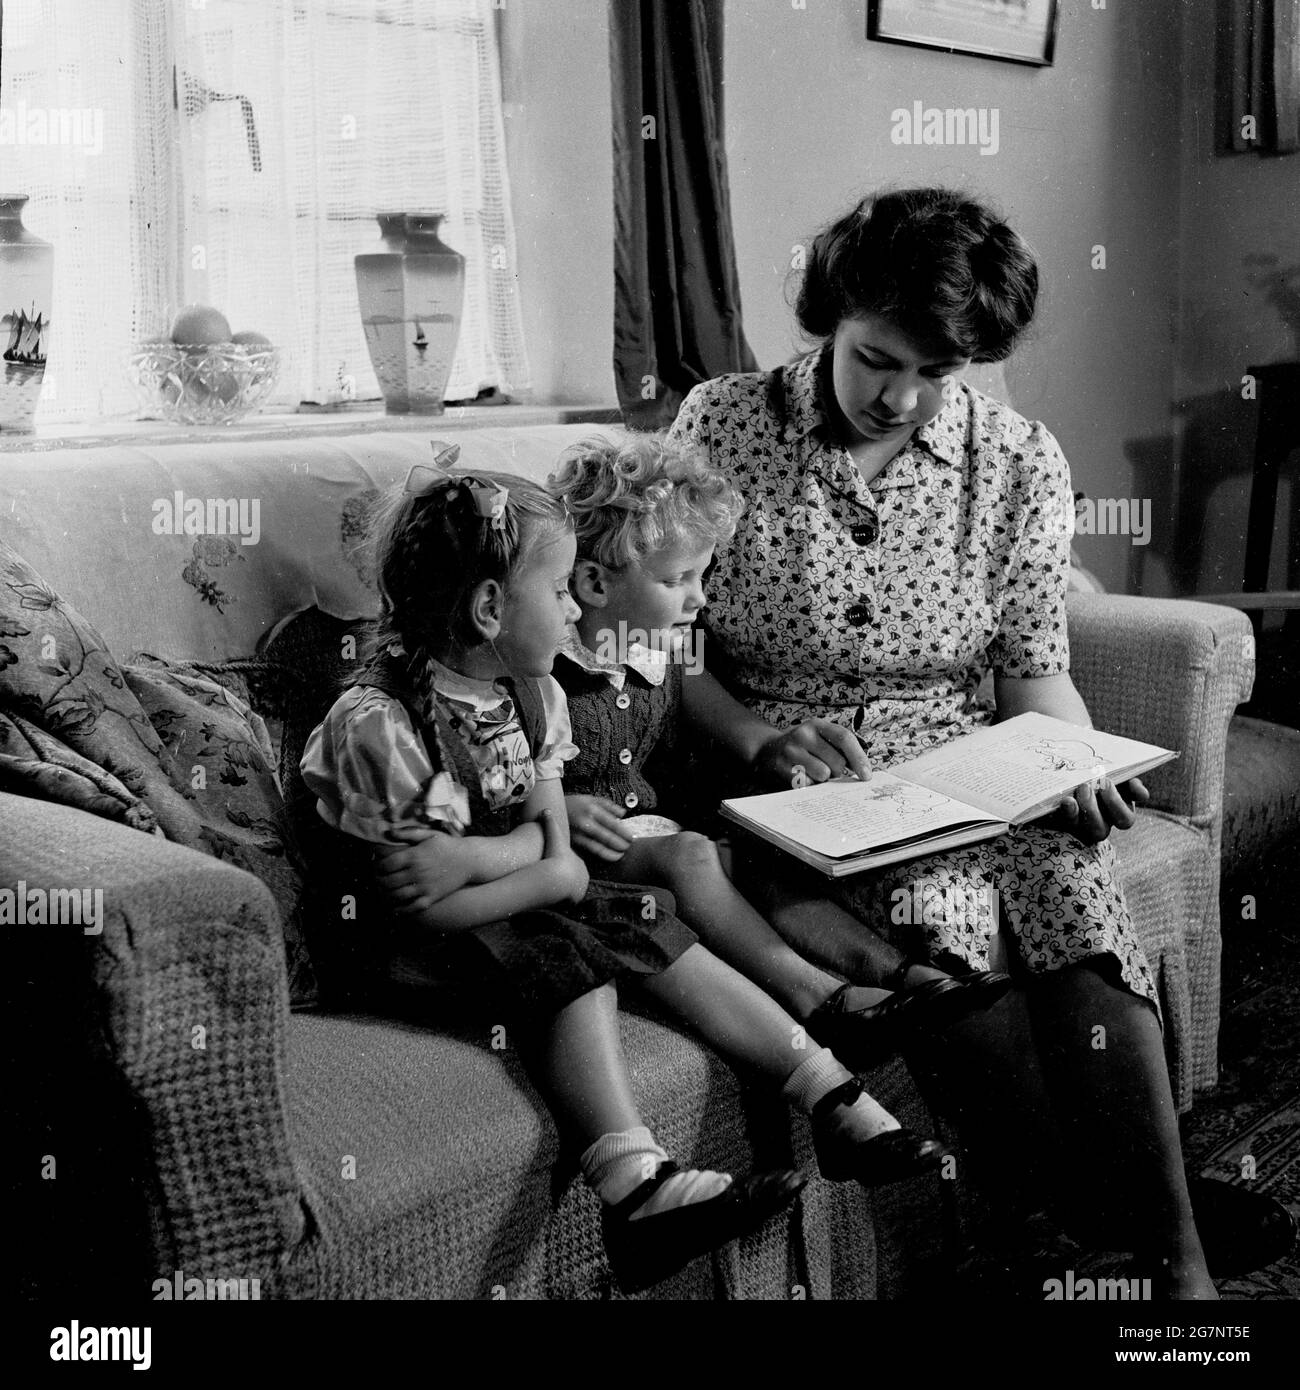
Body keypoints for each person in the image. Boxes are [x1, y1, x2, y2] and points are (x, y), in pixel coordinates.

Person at [664, 187, 1223, 1298]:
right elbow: (671, 659)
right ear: (831, 313)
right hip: (790, 786)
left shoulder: (1016, 459)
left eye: (936, 374)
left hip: (961, 761)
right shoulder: (721, 426)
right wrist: (762, 741)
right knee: (946, 923)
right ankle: (1020, 1248)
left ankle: (1176, 1264)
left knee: (1075, 890)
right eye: (877, 359)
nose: (901, 397)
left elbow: (1032, 668)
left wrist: (1067, 766)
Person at [299, 451, 946, 1295]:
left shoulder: (532, 695)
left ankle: (833, 1096)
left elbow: (552, 848)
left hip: (498, 906)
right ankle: (633, 1181)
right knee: (581, 948)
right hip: (398, 948)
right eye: (561, 591)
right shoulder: (379, 723)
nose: (571, 612)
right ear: (491, 607)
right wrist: (547, 870)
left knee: (638, 915)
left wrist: (531, 865)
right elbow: (430, 905)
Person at [548, 431, 1011, 1071]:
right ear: (595, 583)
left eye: (701, 575)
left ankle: (908, 977)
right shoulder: (539, 671)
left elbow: (735, 725)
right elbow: (498, 781)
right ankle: (820, 1000)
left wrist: (773, 745)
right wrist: (553, 811)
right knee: (692, 853)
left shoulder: (666, 649)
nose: (699, 598)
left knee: (755, 855)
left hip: (664, 840)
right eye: (677, 578)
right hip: (579, 863)